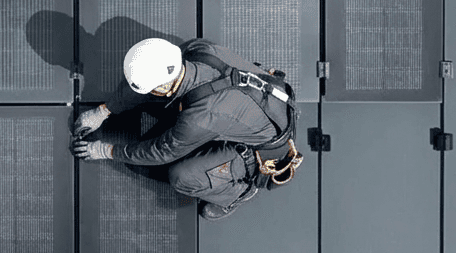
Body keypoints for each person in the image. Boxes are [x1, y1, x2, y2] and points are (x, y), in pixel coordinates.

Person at [70, 37, 304, 221]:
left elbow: (161, 152)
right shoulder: (196, 50)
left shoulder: (200, 117)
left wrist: (105, 151)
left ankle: (238, 193)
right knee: (180, 114)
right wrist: (104, 111)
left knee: (181, 176)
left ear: (162, 87)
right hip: (259, 105)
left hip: (260, 148)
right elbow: (153, 80)